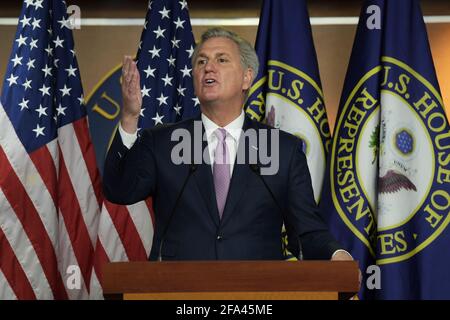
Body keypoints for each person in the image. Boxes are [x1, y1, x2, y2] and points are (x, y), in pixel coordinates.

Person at [103, 27, 352, 262]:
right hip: (181, 294)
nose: (208, 68)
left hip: (257, 297)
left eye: (221, 60)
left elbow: (307, 229)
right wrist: (129, 117)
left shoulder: (282, 149)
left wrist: (336, 253)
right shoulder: (162, 142)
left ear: (247, 78)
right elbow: (120, 190)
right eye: (201, 62)